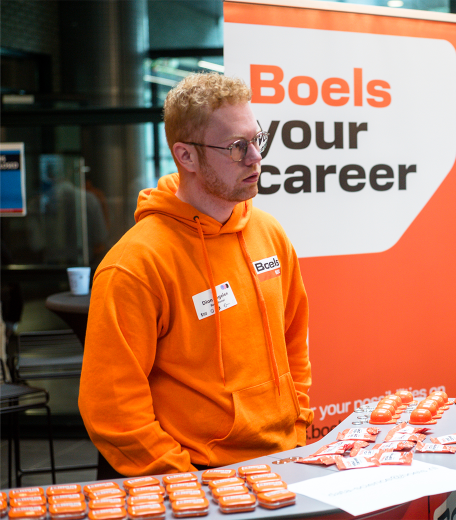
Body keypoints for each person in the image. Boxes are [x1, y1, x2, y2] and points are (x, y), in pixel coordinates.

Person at [79, 73, 313, 477]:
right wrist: (183, 480)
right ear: (186, 156)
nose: (256, 158)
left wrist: (299, 423)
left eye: (257, 140)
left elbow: (295, 340)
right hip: (198, 477)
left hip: (283, 462)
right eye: (237, 147)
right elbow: (112, 405)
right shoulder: (135, 264)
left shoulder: (269, 233)